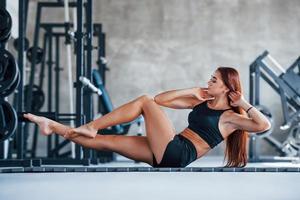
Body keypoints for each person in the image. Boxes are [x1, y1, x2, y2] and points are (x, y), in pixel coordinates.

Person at [24, 67, 271, 168]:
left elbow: (263, 125)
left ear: (227, 87)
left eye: (214, 80)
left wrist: (243, 103)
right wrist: (194, 92)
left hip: (178, 152)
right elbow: (161, 100)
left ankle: (90, 126)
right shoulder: (202, 100)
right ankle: (52, 126)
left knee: (143, 99)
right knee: (102, 141)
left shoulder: (229, 116)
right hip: (168, 150)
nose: (209, 81)